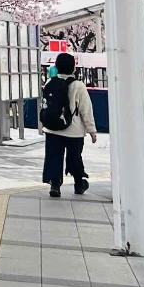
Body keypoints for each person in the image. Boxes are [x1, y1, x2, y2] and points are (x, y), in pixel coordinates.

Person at [38, 52, 96, 198]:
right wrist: (91, 130)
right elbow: (85, 109)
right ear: (73, 68)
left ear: (56, 67)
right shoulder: (78, 86)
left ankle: (55, 185)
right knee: (74, 157)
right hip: (74, 131)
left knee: (54, 156)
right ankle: (78, 183)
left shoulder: (50, 83)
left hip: (53, 129)